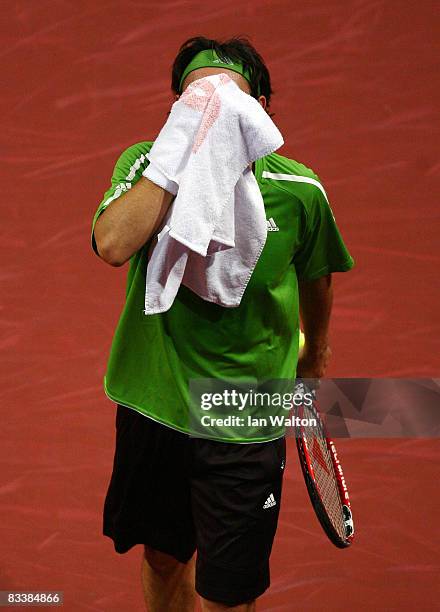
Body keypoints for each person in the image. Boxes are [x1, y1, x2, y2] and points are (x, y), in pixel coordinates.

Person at [91, 36, 354, 612]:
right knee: (163, 558)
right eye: (193, 101)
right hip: (153, 402)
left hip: (244, 410)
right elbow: (112, 244)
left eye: (225, 100)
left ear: (260, 108)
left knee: (228, 593)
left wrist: (315, 356)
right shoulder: (144, 166)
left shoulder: (300, 191)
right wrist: (177, 158)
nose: (209, 111)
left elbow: (318, 279)